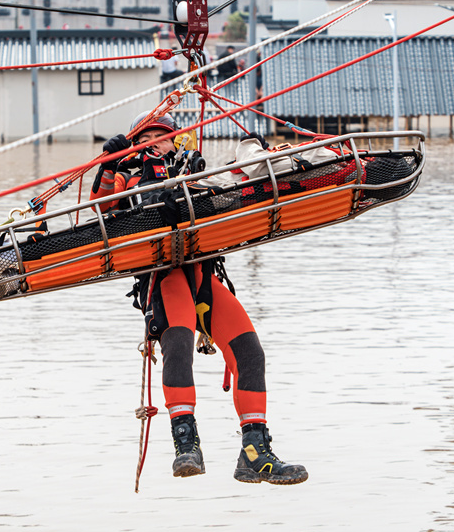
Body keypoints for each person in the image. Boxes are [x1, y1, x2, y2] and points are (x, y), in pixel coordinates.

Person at [90, 111, 309, 485]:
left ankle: (255, 454)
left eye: (165, 135)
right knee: (178, 344)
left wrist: (252, 159)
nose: (159, 141)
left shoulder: (192, 168)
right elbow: (101, 210)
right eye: (151, 136)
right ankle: (186, 445)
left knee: (250, 353)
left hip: (202, 273)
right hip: (164, 274)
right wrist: (108, 166)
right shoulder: (129, 172)